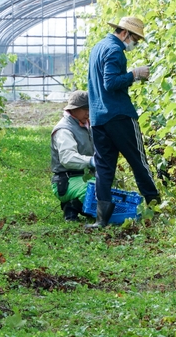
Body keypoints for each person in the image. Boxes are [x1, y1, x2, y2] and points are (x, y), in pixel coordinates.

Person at [86, 16, 161, 228]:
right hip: (119, 116)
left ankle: (102, 219)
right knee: (139, 162)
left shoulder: (98, 47)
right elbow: (110, 83)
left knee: (104, 167)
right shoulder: (115, 50)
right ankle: (156, 207)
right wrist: (134, 75)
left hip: (98, 118)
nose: (134, 43)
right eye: (135, 39)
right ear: (125, 33)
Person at [50, 90, 96, 221]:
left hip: (84, 177)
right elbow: (67, 159)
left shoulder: (87, 125)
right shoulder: (64, 130)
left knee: (106, 191)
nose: (88, 112)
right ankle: (71, 206)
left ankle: (77, 204)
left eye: (89, 108)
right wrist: (92, 161)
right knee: (95, 192)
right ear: (73, 110)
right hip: (66, 180)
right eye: (84, 109)